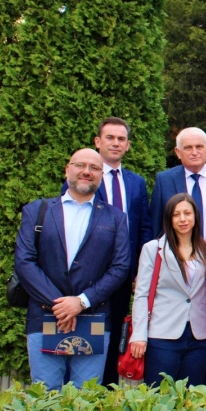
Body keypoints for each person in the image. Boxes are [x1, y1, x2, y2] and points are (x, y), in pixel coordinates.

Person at [14, 149, 130, 390]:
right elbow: (24, 262)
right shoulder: (37, 211)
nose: (87, 172)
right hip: (45, 316)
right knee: (45, 396)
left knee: (85, 398)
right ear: (68, 169)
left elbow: (120, 268)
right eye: (80, 165)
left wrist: (81, 302)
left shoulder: (116, 218)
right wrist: (61, 305)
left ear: (101, 175)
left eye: (94, 168)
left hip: (94, 317)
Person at [60, 117, 152, 386]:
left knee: (114, 338)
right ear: (98, 142)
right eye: (109, 137)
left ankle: (107, 399)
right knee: (81, 340)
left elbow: (144, 229)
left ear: (128, 145)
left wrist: (139, 272)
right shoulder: (80, 179)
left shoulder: (136, 183)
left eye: (121, 139)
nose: (115, 143)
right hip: (85, 280)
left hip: (122, 276)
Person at [128, 194, 206, 387]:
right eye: (176, 214)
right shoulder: (153, 249)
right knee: (160, 397)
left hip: (198, 337)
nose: (183, 219)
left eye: (187, 213)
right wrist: (139, 335)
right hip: (162, 336)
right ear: (169, 219)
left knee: (194, 397)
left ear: (196, 216)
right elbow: (142, 294)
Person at [151, 127, 206, 250]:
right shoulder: (164, 181)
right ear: (178, 152)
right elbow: (156, 225)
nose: (194, 152)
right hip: (175, 261)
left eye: (199, 147)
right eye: (188, 148)